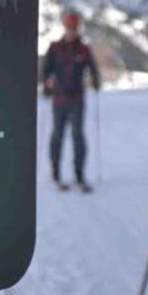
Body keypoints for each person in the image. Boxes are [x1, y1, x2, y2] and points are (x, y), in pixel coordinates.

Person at [42, 10, 101, 192]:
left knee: (78, 136)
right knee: (57, 135)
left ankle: (79, 174)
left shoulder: (84, 49)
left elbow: (93, 68)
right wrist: (46, 85)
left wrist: (95, 81)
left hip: (77, 99)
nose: (71, 30)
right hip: (59, 99)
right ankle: (55, 172)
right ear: (64, 27)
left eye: (74, 27)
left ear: (78, 28)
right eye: (69, 27)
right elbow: (45, 70)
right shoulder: (54, 47)